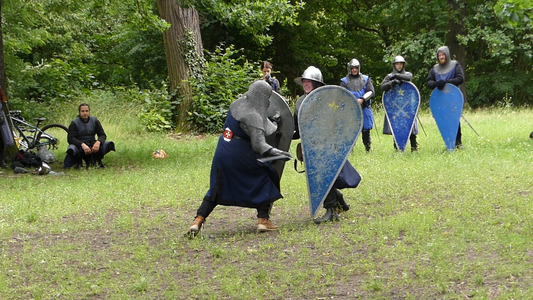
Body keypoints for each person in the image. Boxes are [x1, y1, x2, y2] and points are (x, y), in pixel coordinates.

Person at [186, 80, 292, 237]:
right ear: (261, 97)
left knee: (217, 188)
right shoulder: (253, 116)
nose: (268, 102)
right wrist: (279, 153)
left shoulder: (237, 104)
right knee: (267, 175)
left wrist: (274, 122)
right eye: (267, 98)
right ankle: (263, 220)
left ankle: (197, 221)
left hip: (223, 151)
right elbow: (260, 145)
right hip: (240, 154)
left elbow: (256, 125)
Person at [293, 66, 362, 224]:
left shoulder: (328, 100)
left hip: (328, 145)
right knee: (320, 177)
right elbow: (297, 130)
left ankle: (331, 211)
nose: (306, 83)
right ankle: (338, 199)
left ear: (317, 83)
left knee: (327, 174)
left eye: (310, 81)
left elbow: (338, 123)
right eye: (304, 80)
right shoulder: (300, 103)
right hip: (310, 146)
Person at [426, 46, 465, 148]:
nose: (441, 57)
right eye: (439, 55)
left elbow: (460, 78)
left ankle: (458, 142)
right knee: (443, 120)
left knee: (454, 119)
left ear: (447, 55)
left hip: (452, 97)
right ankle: (448, 143)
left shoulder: (455, 65)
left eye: (443, 55)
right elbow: (429, 82)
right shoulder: (434, 69)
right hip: (440, 99)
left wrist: (447, 82)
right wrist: (437, 84)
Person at [381, 55, 419, 151]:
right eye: (397, 64)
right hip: (395, 105)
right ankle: (397, 147)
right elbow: (382, 86)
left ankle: (414, 147)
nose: (399, 66)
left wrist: (397, 76)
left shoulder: (407, 74)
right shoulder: (389, 76)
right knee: (396, 126)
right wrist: (392, 83)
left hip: (407, 105)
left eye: (401, 64)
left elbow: (409, 78)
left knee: (410, 126)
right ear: (394, 65)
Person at [64, 103, 115, 169]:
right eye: (82, 111)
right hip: (79, 145)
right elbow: (70, 138)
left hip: (92, 143)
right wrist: (82, 145)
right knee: (71, 149)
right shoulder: (74, 123)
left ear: (89, 111)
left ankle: (97, 160)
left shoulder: (94, 120)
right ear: (79, 112)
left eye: (86, 111)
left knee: (109, 144)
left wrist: (98, 142)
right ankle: (78, 162)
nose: (85, 113)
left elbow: (102, 135)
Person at [341, 59, 376, 152]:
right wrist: (353, 100)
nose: (354, 70)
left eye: (356, 68)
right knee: (351, 131)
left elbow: (371, 92)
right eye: (352, 68)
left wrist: (362, 99)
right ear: (350, 69)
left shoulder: (366, 79)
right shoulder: (344, 81)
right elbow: (342, 95)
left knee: (366, 130)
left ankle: (368, 149)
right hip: (350, 110)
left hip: (364, 108)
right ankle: (350, 150)